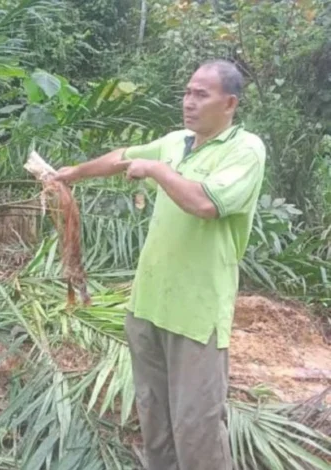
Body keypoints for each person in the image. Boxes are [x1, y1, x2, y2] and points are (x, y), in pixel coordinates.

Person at [53, 60, 266, 470]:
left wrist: (155, 169)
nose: (189, 102)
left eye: (201, 94)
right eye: (187, 92)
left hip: (197, 316)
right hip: (148, 306)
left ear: (230, 103)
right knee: (154, 420)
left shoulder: (245, 150)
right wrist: (72, 174)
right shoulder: (176, 142)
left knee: (197, 430)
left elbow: (204, 203)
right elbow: (121, 157)